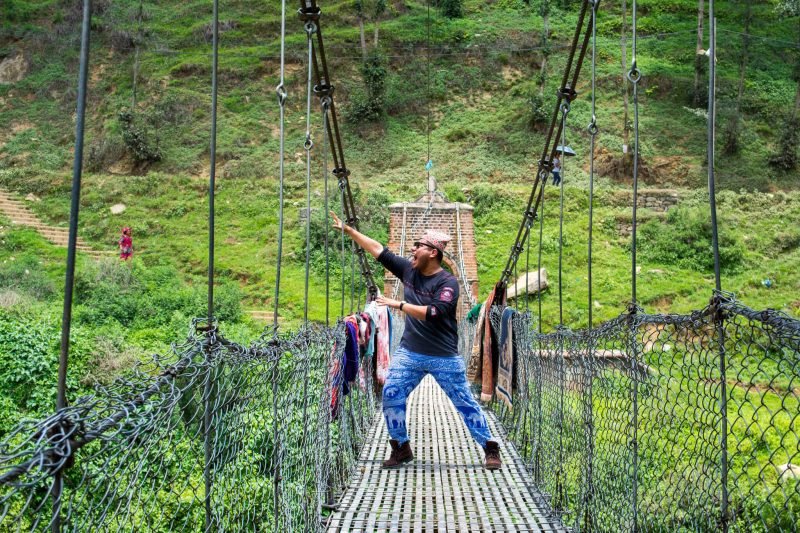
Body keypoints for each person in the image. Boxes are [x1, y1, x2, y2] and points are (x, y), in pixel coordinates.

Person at [330, 211, 502, 470]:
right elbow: (379, 250)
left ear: (433, 252)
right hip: (410, 352)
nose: (413, 250)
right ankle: (401, 447)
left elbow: (434, 313)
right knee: (391, 392)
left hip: (443, 356)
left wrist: (397, 303)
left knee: (465, 402)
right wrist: (349, 230)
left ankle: (489, 446)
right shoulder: (408, 270)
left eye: (419, 246)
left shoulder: (449, 283)